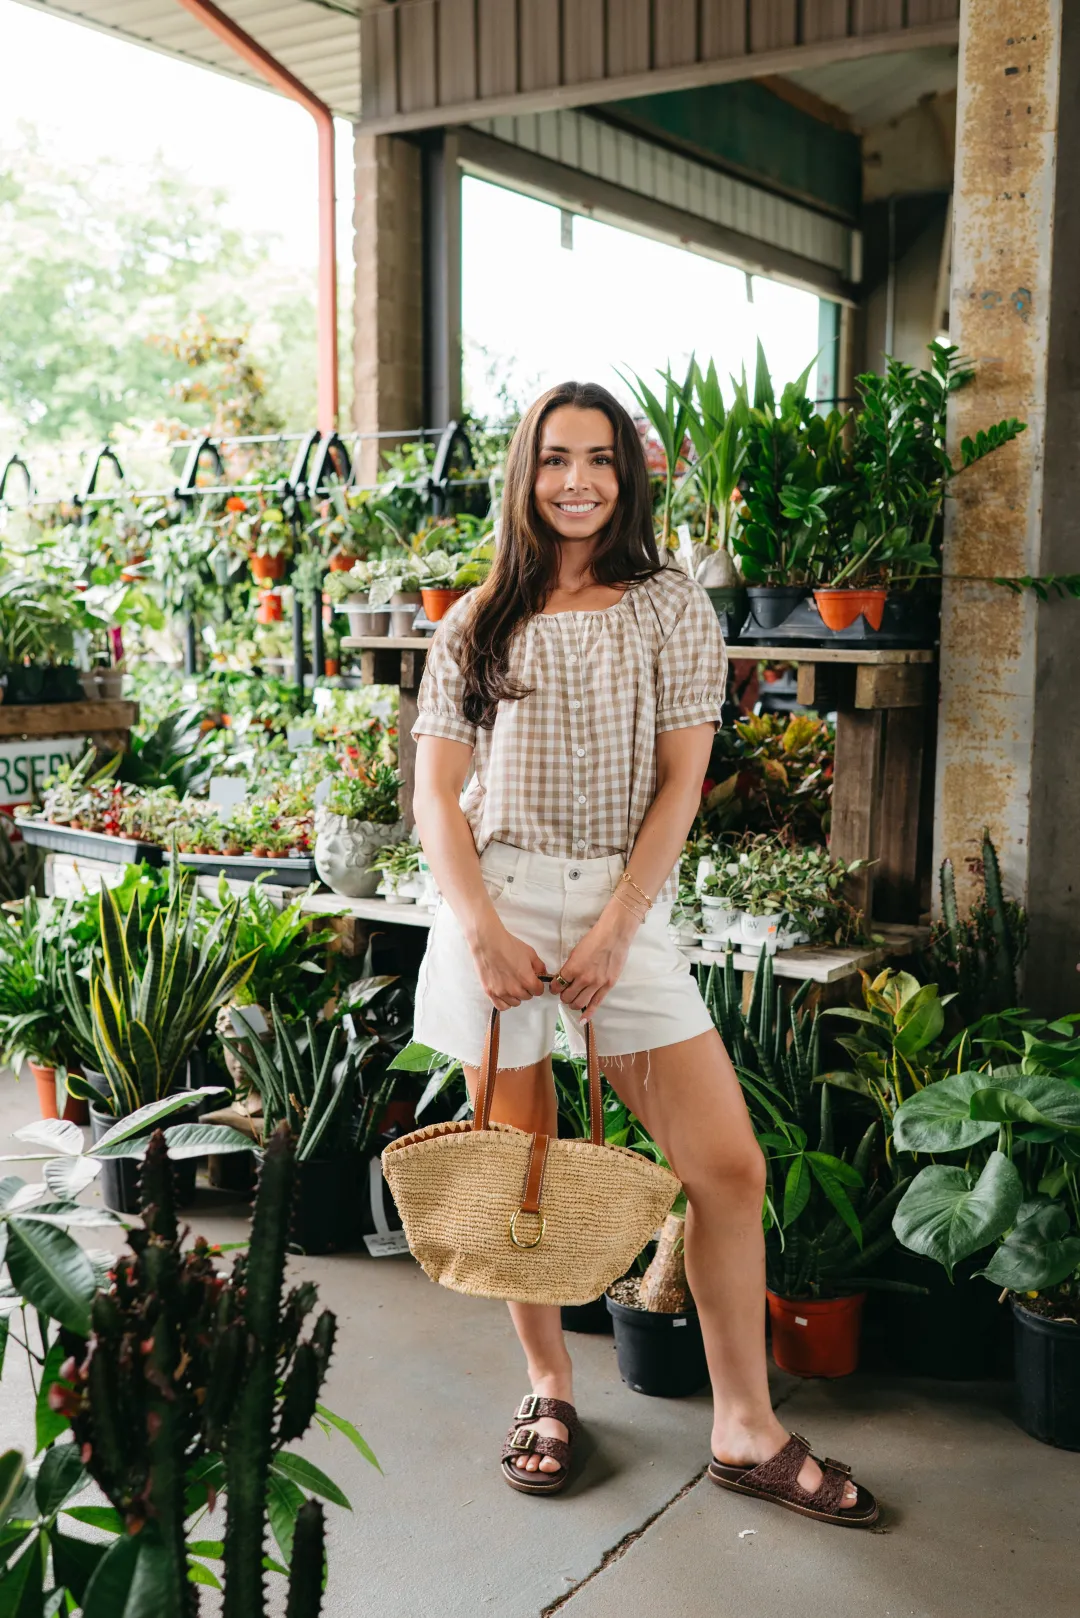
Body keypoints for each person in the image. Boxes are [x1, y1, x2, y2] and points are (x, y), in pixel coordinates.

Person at [409, 380, 877, 1528]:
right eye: (555, 458)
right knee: (521, 1172)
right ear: (525, 473)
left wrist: (619, 924)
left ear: (628, 475)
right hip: (498, 905)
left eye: (600, 459)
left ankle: (744, 1427)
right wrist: (482, 929)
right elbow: (434, 794)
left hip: (624, 909)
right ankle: (550, 1387)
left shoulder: (670, 605)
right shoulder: (476, 619)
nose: (578, 481)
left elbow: (681, 782)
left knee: (727, 1169)